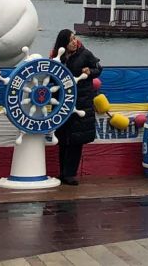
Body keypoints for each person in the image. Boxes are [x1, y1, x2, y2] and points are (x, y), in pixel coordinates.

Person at [50, 28, 102, 184]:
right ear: (64, 43)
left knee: (76, 139)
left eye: (75, 38)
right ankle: (63, 172)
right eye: (71, 39)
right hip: (62, 103)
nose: (75, 41)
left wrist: (90, 71)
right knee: (63, 138)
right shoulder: (57, 57)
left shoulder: (85, 54)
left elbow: (99, 69)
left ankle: (70, 173)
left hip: (81, 102)